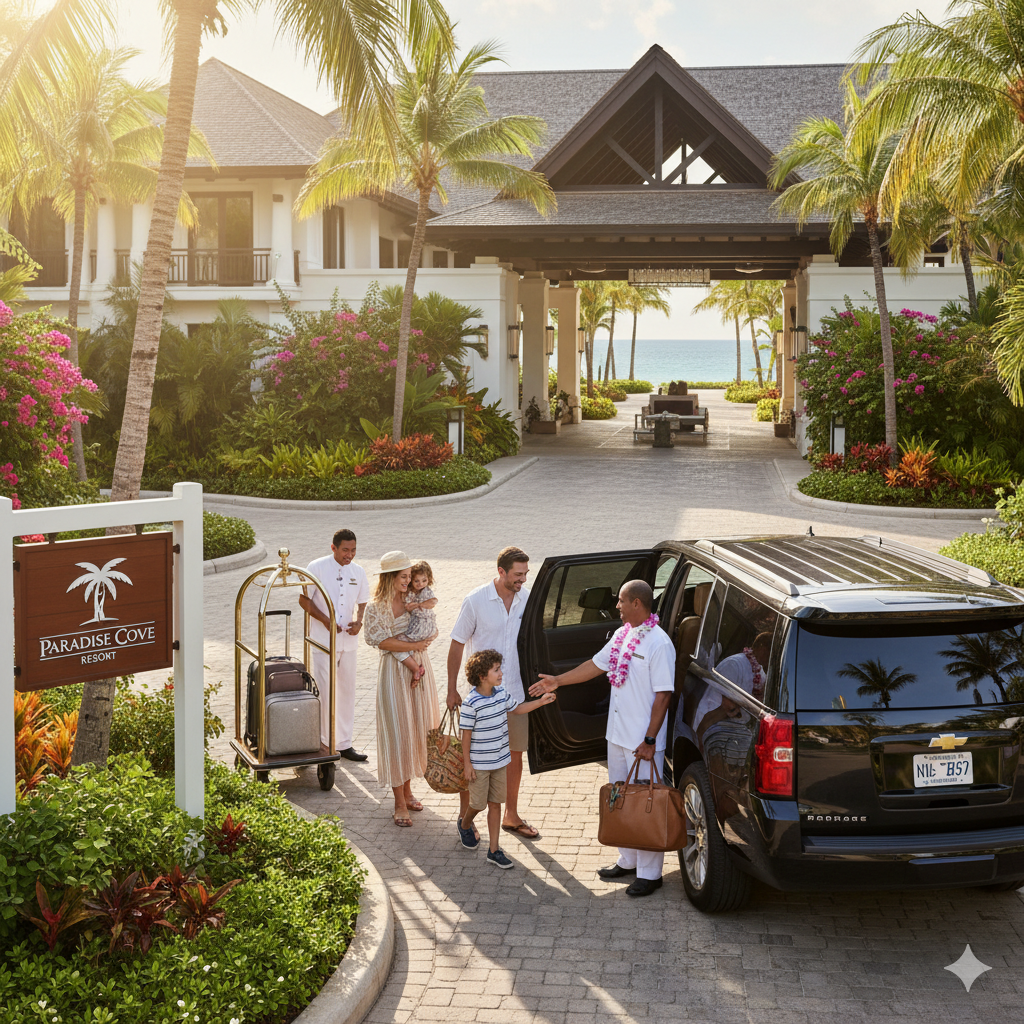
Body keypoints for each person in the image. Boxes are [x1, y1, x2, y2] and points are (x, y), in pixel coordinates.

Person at [530, 579, 673, 897]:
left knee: (646, 803)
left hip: (642, 742)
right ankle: (628, 860)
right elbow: (595, 666)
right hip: (618, 735)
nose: (617, 606)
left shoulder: (659, 644)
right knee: (620, 801)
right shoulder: (622, 635)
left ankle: (650, 874)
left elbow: (663, 696)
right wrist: (558, 681)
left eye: (621, 601)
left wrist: (650, 740)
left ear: (638, 604)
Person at [447, 546, 537, 841]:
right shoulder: (475, 600)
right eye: (517, 574)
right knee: (471, 758)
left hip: (514, 693)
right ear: (501, 571)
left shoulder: (527, 599)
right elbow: (458, 644)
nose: (522, 579)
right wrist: (451, 689)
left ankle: (511, 815)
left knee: (514, 755)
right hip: (482, 697)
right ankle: (466, 817)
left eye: (525, 573)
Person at [457, 649, 555, 868]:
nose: (501, 673)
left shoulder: (502, 694)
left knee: (495, 805)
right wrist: (467, 764)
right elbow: (466, 735)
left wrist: (541, 702)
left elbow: (518, 709)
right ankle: (465, 824)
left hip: (500, 761)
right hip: (480, 765)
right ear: (482, 676)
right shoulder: (471, 703)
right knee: (478, 804)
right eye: (496, 670)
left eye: (500, 668)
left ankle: (494, 850)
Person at [363, 550, 441, 827]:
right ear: (389, 578)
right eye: (403, 577)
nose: (408, 581)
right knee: (397, 733)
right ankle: (398, 802)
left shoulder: (413, 599)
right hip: (393, 674)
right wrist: (413, 647)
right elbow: (382, 642)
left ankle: (408, 793)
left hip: (420, 668)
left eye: (409, 576)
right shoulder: (376, 607)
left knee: (415, 728)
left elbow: (431, 624)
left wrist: (419, 645)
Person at [299, 528, 369, 761]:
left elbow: (363, 602)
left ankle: (344, 743)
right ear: (334, 548)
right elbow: (304, 599)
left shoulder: (358, 572)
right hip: (322, 642)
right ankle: (324, 743)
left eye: (353, 550)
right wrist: (326, 620)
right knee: (325, 690)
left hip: (349, 642)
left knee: (347, 691)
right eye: (345, 550)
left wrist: (359, 622)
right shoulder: (316, 567)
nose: (349, 555)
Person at [693, 631, 772, 740]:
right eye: (770, 652)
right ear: (762, 648)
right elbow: (725, 707)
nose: (771, 658)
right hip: (714, 726)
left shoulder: (761, 671)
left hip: (736, 730)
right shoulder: (734, 664)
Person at [398, 561, 439, 685]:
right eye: (417, 581)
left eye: (424, 580)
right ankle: (417, 668)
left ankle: (415, 668)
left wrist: (417, 605)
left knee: (399, 643)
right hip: (421, 625)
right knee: (407, 645)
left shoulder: (426, 592)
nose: (421, 584)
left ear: (429, 580)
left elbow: (433, 602)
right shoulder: (411, 592)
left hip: (423, 626)